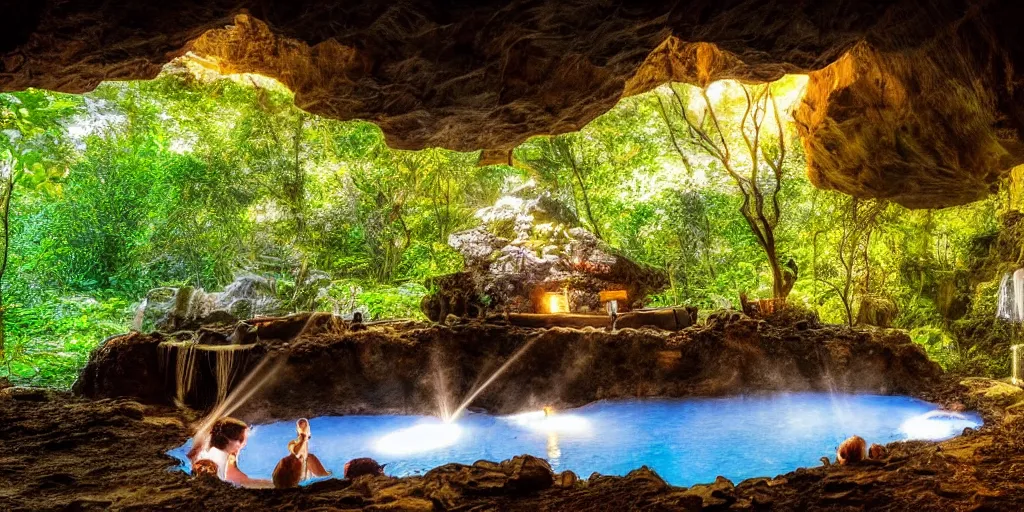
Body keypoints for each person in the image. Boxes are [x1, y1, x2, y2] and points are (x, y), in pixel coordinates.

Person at [188, 417, 271, 487]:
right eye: (242, 440)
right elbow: (240, 480)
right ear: (228, 440)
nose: (244, 444)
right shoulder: (214, 461)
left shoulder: (216, 452)